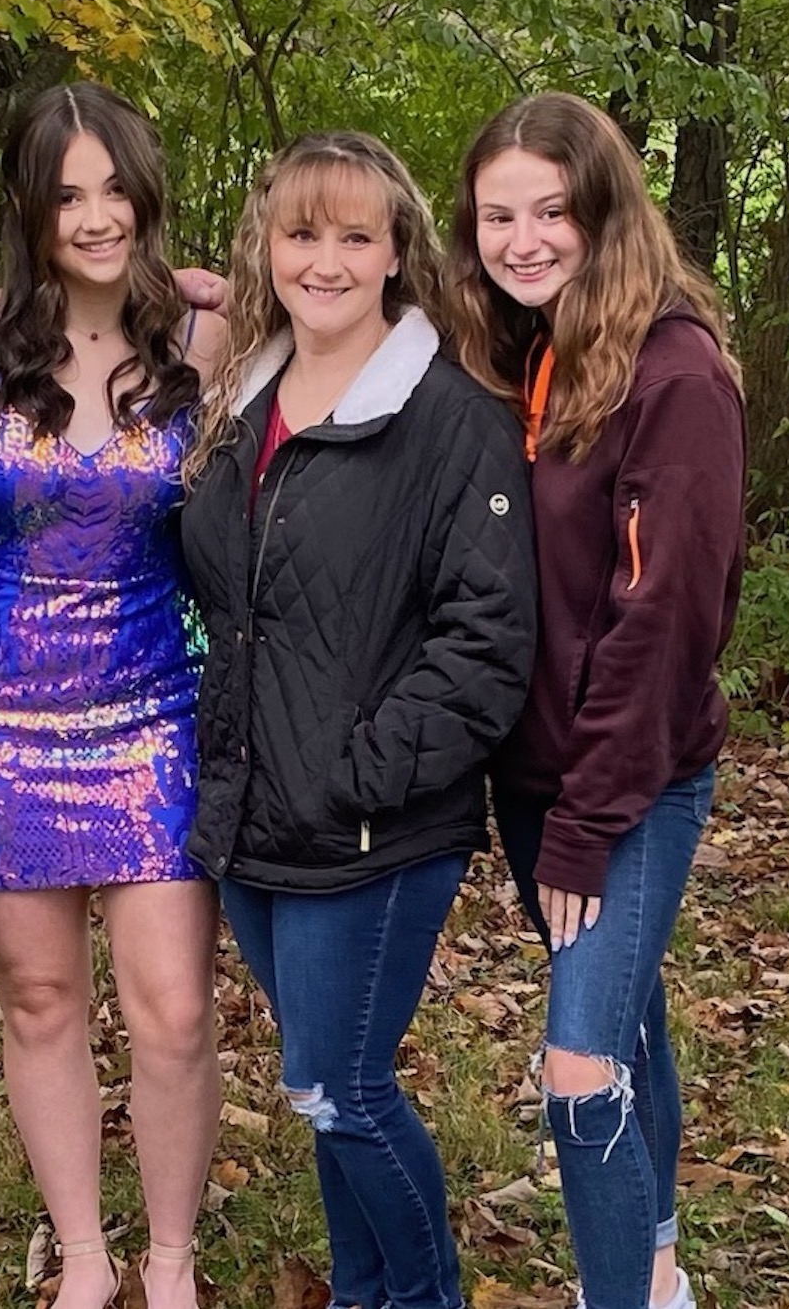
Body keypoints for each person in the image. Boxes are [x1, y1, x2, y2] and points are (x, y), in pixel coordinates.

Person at [180, 132, 538, 1309]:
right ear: (266, 248)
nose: (323, 260)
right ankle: (359, 1288)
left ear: (396, 253)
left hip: (372, 824)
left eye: (353, 236)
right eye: (300, 234)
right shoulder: (243, 400)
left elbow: (485, 638)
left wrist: (361, 772)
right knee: (317, 1089)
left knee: (342, 1085)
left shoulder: (449, 415)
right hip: (251, 817)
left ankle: (423, 1296)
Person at [443, 91, 745, 1309]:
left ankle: (620, 1293)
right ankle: (661, 1266)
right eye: (496, 216)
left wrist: (587, 816)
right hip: (534, 775)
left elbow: (661, 625)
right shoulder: (528, 352)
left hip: (626, 784)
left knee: (580, 1065)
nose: (522, 239)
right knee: (630, 1023)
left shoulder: (674, 375)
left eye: (551, 211)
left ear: (606, 211)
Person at [0, 83, 225, 1309]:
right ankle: (88, 1258)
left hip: (155, 699)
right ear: (29, 209)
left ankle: (168, 1261)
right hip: (2, 706)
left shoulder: (206, 333)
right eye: (68, 194)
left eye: (115, 188)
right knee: (40, 995)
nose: (97, 217)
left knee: (172, 1009)